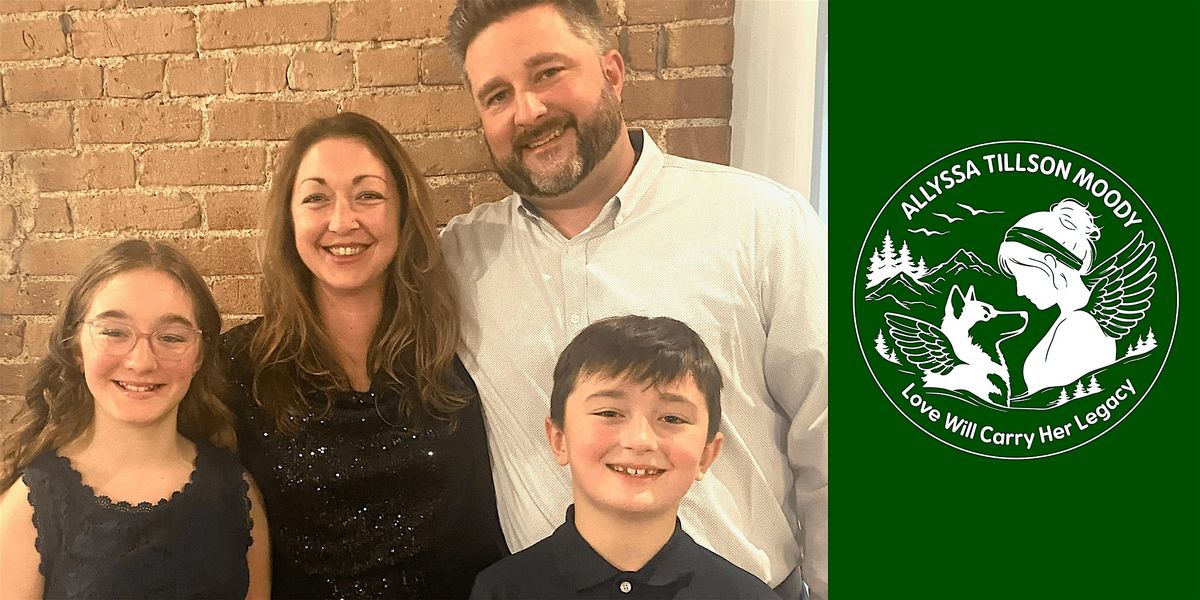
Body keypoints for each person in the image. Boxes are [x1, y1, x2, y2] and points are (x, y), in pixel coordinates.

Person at [441, 1, 828, 597]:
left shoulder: (761, 224)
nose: (529, 110)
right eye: (497, 95)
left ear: (613, 72)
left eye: (548, 72)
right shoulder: (459, 259)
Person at [221, 112, 507, 598]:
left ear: (402, 212)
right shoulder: (240, 366)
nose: (342, 221)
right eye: (316, 198)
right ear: (289, 219)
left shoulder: (462, 344)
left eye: (368, 195)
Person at [0, 239, 270, 599]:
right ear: (75, 345)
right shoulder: (29, 507)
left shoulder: (236, 490)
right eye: (114, 332)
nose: (142, 362)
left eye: (171, 337)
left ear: (200, 356)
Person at [470, 316, 779, 599]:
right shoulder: (502, 591)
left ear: (706, 454)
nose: (640, 440)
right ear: (559, 439)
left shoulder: (748, 596)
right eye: (609, 413)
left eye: (671, 418)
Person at [998, 199, 1116, 394]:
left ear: (1050, 263)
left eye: (1023, 275)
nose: (1019, 291)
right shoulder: (1069, 321)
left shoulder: (1079, 325)